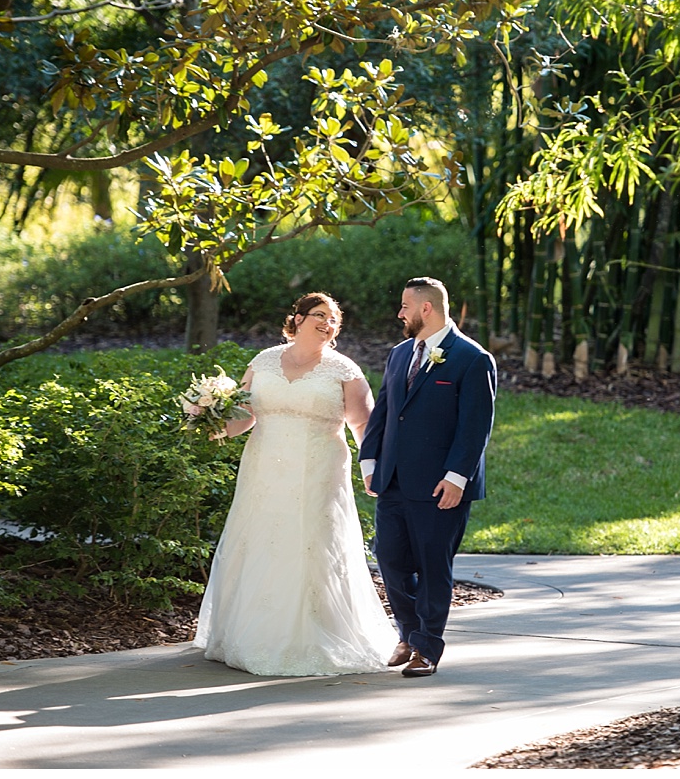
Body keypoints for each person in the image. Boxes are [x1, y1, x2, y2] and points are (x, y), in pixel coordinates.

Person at [194, 293, 395, 676]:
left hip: (318, 470)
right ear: (298, 319)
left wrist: (373, 470)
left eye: (333, 319)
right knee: (261, 540)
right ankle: (249, 634)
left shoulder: (345, 371)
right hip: (264, 469)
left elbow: (365, 426)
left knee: (309, 543)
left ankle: (312, 636)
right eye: (319, 315)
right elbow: (246, 414)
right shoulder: (264, 361)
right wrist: (212, 425)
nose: (327, 323)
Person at [359, 277, 497, 677]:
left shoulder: (473, 358)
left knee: (433, 565)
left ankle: (426, 648)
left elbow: (475, 427)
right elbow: (384, 411)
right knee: (390, 559)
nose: (399, 313)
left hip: (441, 485)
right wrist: (370, 461)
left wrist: (456, 478)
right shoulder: (401, 353)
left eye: (404, 306)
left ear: (426, 309)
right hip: (394, 481)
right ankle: (409, 633)